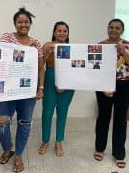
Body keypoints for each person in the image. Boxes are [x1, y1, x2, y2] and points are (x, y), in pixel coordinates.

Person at [0, 8, 44, 172]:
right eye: (20, 22)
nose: (23, 24)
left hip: (27, 92)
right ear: (15, 23)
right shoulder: (7, 38)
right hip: (7, 90)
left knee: (24, 123)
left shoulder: (36, 44)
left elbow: (40, 68)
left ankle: (18, 155)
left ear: (30, 24)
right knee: (0, 122)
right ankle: (7, 147)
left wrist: (41, 87)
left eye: (26, 22)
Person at [94, 19, 129, 168]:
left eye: (117, 28)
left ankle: (119, 153)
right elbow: (94, 70)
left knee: (121, 119)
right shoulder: (100, 45)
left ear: (122, 30)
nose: (114, 30)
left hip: (124, 85)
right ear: (107, 28)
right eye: (111, 27)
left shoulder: (128, 45)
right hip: (104, 85)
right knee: (103, 117)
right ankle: (99, 148)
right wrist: (102, 87)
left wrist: (123, 52)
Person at [38, 21, 75, 157]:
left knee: (62, 113)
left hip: (68, 81)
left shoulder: (72, 47)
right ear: (54, 32)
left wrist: (66, 83)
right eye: (59, 30)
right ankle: (45, 141)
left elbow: (76, 68)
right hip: (50, 78)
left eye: (64, 31)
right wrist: (47, 53)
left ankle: (58, 141)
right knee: (47, 113)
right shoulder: (47, 45)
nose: (62, 33)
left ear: (67, 33)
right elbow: (40, 65)